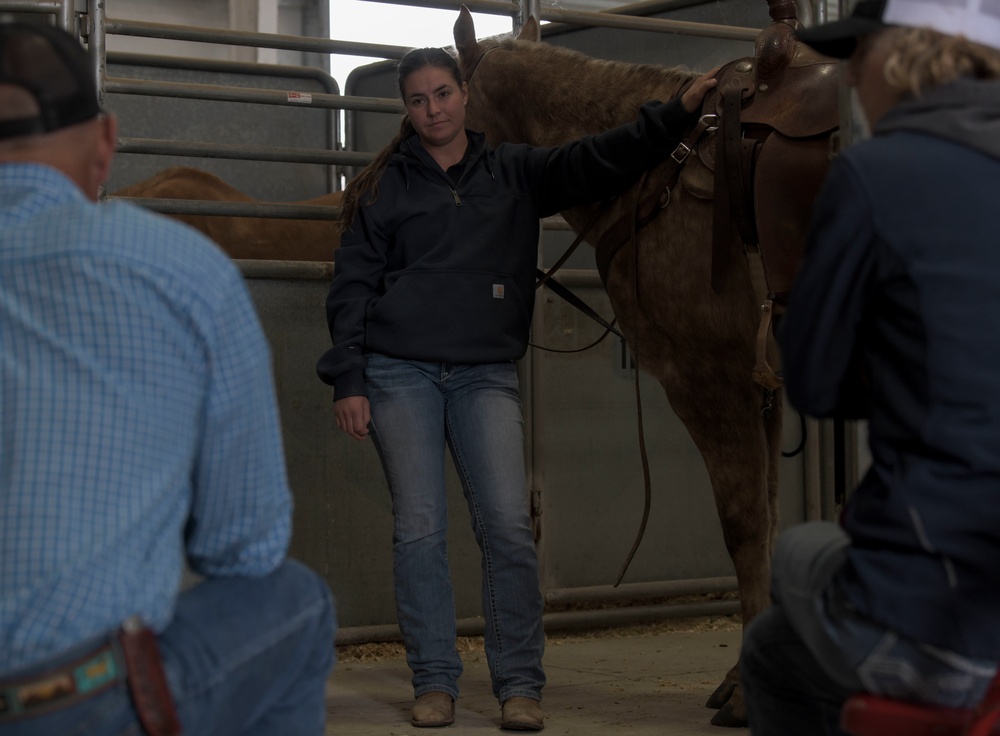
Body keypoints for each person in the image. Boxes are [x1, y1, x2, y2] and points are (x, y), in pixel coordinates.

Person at [316, 43, 716, 731]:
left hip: (483, 373)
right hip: (396, 371)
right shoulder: (382, 187)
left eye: (443, 94)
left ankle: (520, 685)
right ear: (405, 109)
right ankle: (435, 681)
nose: (433, 109)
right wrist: (347, 378)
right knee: (419, 529)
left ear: (464, 96)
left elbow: (600, 157)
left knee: (505, 525)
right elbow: (350, 287)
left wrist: (675, 114)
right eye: (418, 100)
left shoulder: (515, 171)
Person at [0, 21, 336, 736]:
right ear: (105, 142)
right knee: (296, 599)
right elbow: (242, 544)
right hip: (68, 697)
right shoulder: (182, 269)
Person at [739, 1, 1000, 733]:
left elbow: (817, 383)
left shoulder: (875, 173)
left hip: (941, 616)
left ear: (911, 51)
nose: (850, 71)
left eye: (860, 50)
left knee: (791, 569)